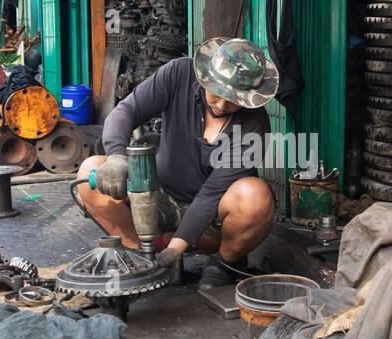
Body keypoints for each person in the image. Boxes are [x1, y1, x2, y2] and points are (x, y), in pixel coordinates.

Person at [76, 37, 278, 289]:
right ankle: (140, 254)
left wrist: (176, 249)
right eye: (217, 92)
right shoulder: (179, 73)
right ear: (206, 76)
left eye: (233, 100)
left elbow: (211, 194)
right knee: (89, 171)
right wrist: (116, 156)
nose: (222, 104)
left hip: (212, 221)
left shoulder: (255, 125)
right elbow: (125, 111)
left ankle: (224, 263)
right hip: (159, 200)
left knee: (256, 196)